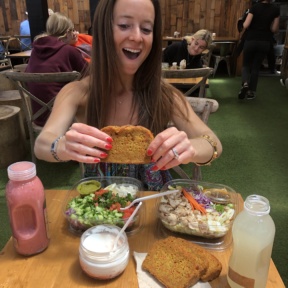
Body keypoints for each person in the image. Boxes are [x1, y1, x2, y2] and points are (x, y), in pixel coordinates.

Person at [34, 0, 222, 191]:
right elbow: (42, 144)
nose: (137, 37)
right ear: (103, 31)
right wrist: (62, 147)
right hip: (100, 205)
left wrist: (191, 148)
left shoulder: (165, 95)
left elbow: (213, 143)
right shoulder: (77, 92)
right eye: (124, 25)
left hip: (153, 203)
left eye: (147, 29)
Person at [25, 12, 88, 126]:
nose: (75, 33)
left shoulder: (35, 50)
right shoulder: (69, 51)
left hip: (39, 117)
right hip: (64, 118)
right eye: (72, 30)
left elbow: (26, 76)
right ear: (67, 32)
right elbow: (90, 74)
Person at [238, 0, 280, 100]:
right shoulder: (275, 9)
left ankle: (245, 84)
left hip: (251, 39)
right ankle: (251, 92)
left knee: (246, 64)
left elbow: (246, 25)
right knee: (256, 67)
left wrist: (241, 21)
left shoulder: (255, 7)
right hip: (265, 41)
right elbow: (274, 29)